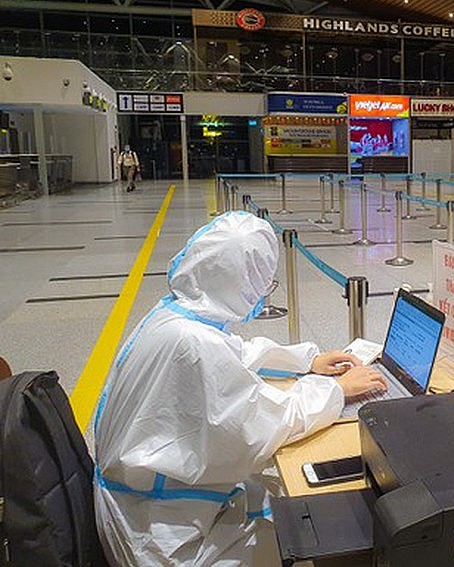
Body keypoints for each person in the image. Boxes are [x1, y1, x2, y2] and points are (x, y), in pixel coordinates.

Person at [93, 211, 387, 565]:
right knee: (307, 522)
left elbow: (235, 353)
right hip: (165, 539)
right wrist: (337, 390)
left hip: (152, 505)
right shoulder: (193, 344)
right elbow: (263, 427)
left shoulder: (174, 316)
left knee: (280, 496)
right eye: (263, 284)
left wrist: (307, 360)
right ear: (242, 284)